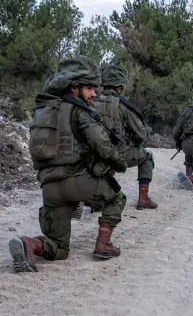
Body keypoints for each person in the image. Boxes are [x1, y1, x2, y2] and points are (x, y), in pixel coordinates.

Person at [9, 56, 128, 273]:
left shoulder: (43, 110)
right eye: (90, 88)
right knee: (117, 198)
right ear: (74, 87)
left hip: (49, 188)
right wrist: (119, 163)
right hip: (77, 180)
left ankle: (30, 245)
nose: (93, 93)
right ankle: (104, 244)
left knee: (60, 248)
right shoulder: (78, 110)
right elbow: (100, 143)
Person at [91, 63, 158, 210]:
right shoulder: (121, 104)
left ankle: (97, 199)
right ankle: (143, 198)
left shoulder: (91, 102)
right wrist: (133, 141)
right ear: (119, 87)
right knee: (147, 156)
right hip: (117, 155)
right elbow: (141, 133)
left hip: (94, 156)